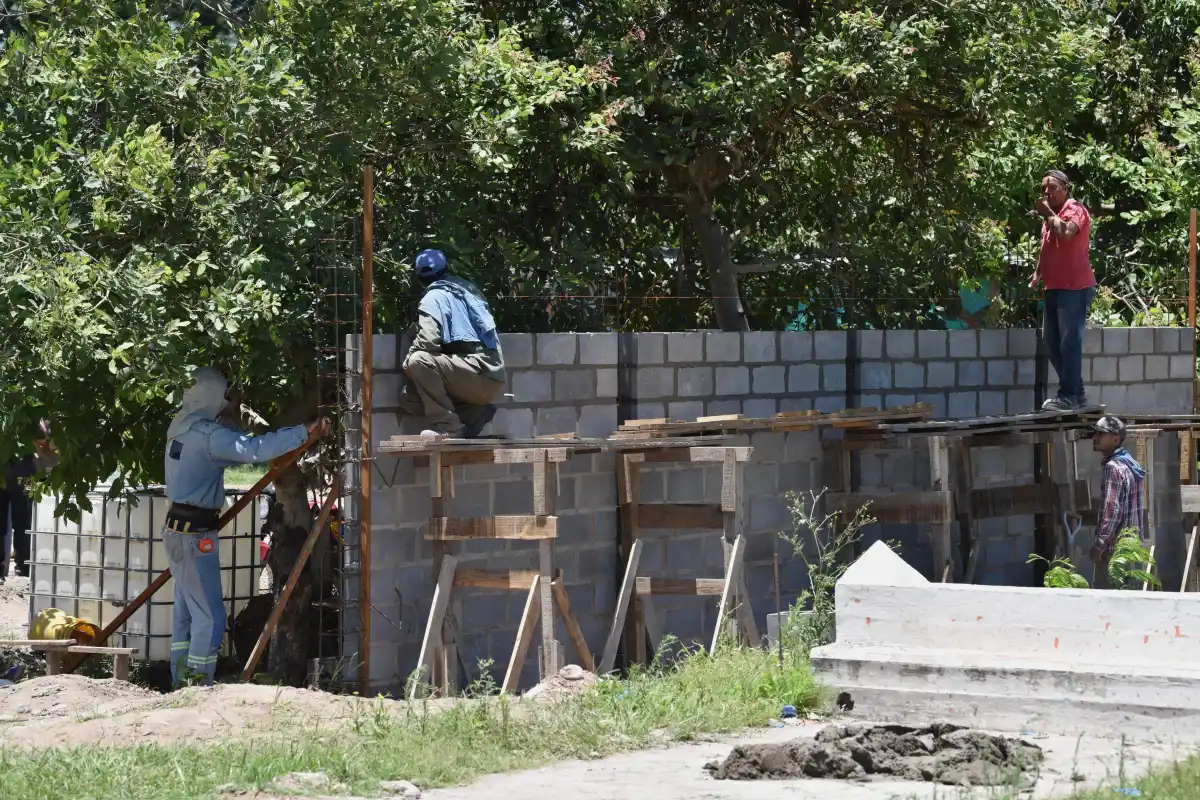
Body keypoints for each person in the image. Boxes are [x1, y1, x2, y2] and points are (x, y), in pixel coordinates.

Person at [164, 367, 328, 686]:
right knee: (209, 619)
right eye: (224, 396)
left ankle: (179, 681)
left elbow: (216, 438)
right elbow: (254, 449)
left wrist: (231, 409)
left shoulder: (182, 426)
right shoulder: (210, 438)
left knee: (185, 613)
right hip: (196, 538)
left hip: (175, 532)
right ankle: (196, 685)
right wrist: (303, 432)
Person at [398, 249, 506, 438]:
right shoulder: (468, 289)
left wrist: (407, 362)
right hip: (491, 377)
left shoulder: (433, 297)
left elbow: (428, 342)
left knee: (417, 361)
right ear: (447, 268)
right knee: (410, 399)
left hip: (475, 374)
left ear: (419, 279)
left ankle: (449, 427)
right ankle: (474, 414)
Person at [1028, 169, 1097, 411]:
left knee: (1069, 343)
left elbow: (1067, 233)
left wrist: (1047, 213)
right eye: (1043, 189)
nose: (1046, 192)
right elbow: (1046, 247)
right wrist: (1038, 272)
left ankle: (1067, 395)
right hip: (1054, 287)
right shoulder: (1049, 219)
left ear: (1065, 188)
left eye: (1052, 188)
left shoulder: (1075, 209)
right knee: (1050, 342)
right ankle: (1076, 393)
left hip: (1075, 288)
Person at [1089, 415, 1145, 589]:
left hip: (1114, 552)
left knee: (1106, 610)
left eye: (1101, 434)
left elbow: (1111, 511)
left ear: (1116, 439)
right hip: (1132, 550)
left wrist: (1099, 545)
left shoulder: (1113, 468)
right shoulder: (1131, 464)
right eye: (1095, 433)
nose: (1095, 437)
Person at [2, 420, 57, 583]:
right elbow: (45, 442)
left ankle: (17, 565)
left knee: (16, 520)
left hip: (10, 469)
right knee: (24, 520)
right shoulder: (36, 419)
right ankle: (23, 565)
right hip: (24, 472)